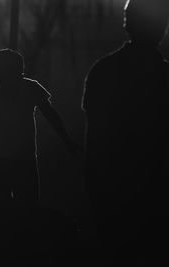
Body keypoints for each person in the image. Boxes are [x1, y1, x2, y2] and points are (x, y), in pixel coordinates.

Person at [82, 0, 169, 264]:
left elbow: (95, 138)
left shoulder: (104, 71)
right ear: (163, 28)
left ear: (127, 24)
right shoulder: (164, 77)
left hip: (114, 192)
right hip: (156, 195)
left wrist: (95, 188)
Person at [0, 48, 80, 203]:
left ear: (17, 74)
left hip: (24, 161)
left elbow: (50, 114)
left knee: (27, 207)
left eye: (2, 76)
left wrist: (66, 139)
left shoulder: (30, 88)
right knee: (1, 209)